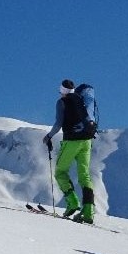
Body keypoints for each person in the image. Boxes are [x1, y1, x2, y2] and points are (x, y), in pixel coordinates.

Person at [42, 79, 96, 223]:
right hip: (87, 140)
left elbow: (59, 123)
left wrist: (49, 136)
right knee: (84, 176)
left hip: (71, 141)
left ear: (62, 90)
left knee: (60, 172)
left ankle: (73, 202)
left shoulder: (62, 102)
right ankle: (89, 210)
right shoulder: (82, 100)